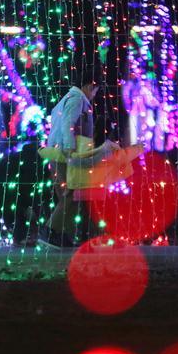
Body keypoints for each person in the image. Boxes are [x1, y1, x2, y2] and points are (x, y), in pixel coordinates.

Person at [38, 77, 119, 247]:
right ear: (90, 86)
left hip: (58, 151)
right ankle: (51, 231)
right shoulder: (76, 99)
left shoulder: (66, 99)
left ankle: (62, 234)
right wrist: (70, 148)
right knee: (72, 192)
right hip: (65, 153)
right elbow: (69, 124)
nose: (94, 95)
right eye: (95, 91)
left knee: (70, 193)